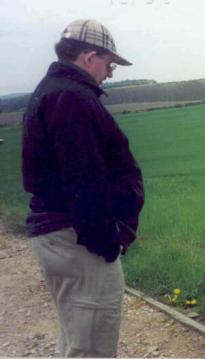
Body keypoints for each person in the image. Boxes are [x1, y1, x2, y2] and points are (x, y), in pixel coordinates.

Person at [22, 19, 144, 357]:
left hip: (63, 235)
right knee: (90, 346)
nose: (110, 73)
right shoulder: (71, 97)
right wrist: (108, 241)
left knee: (78, 337)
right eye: (109, 63)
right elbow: (85, 181)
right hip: (79, 240)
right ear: (90, 56)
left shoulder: (53, 90)